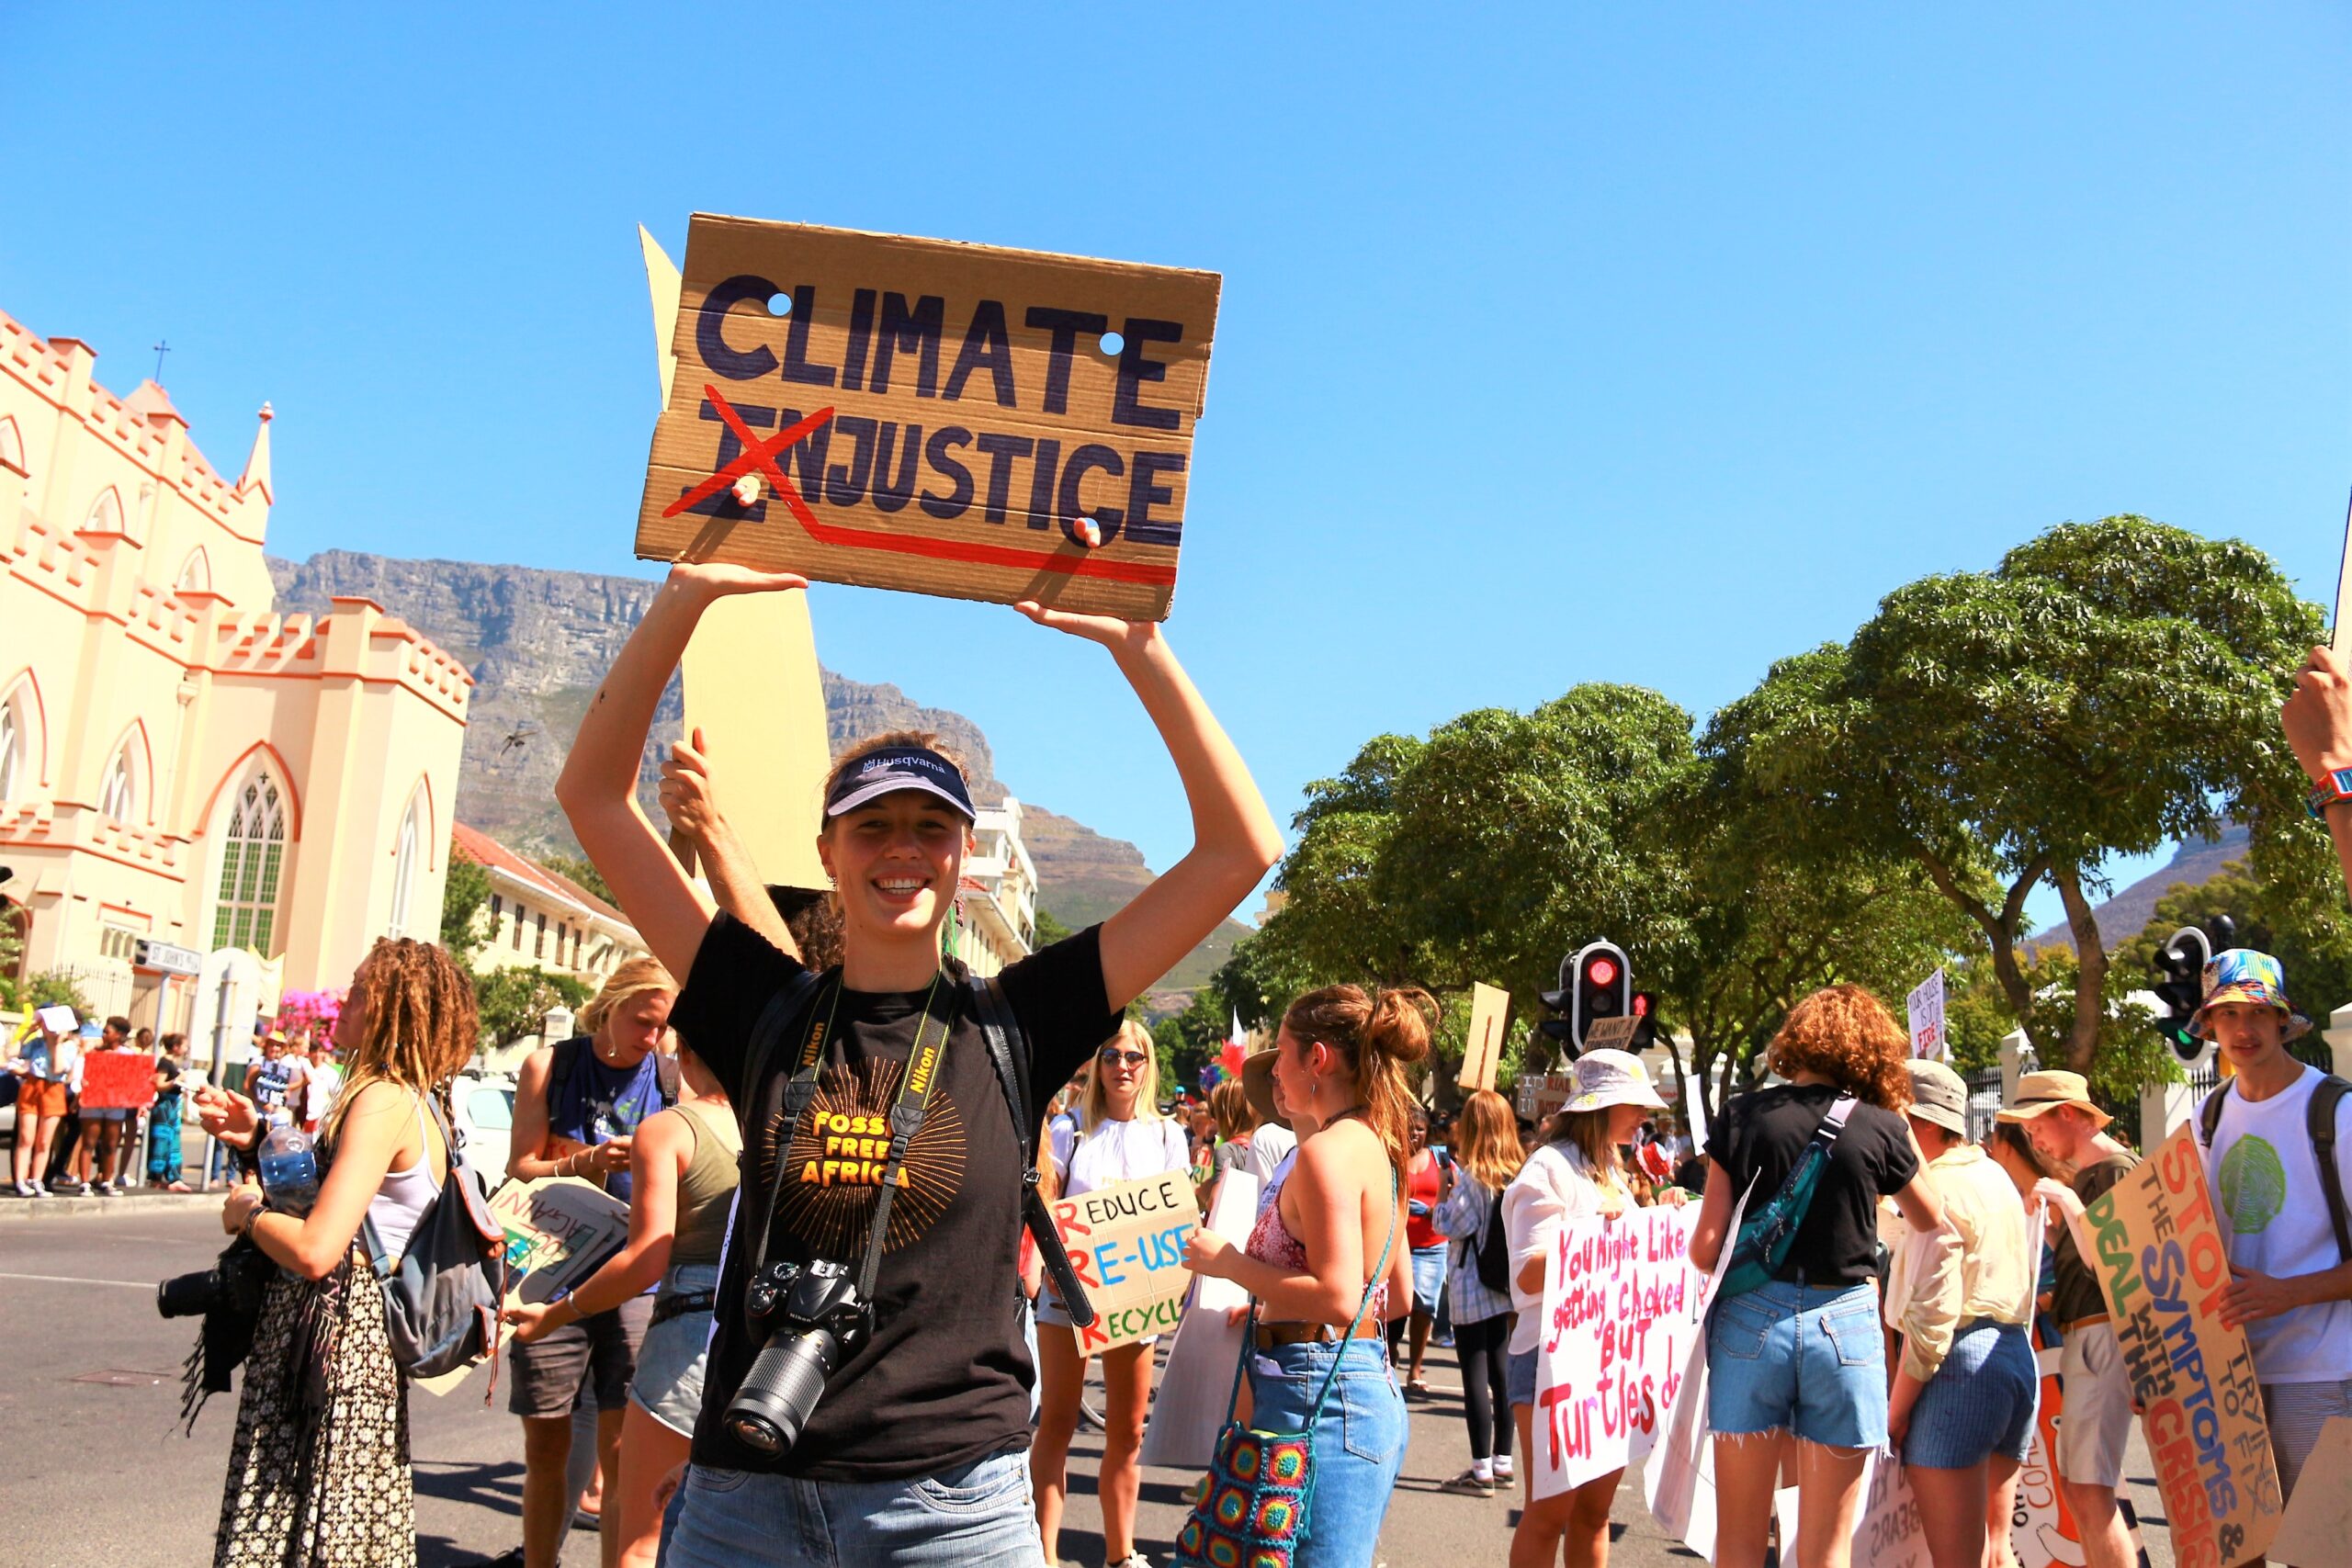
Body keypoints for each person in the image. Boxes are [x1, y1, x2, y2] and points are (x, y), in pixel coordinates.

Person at [556, 560, 1282, 1567]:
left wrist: (1138, 646)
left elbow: (1239, 851)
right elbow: (591, 799)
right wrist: (687, 597)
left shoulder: (1019, 1019)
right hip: (747, 1497)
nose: (903, 849)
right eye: (875, 826)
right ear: (829, 848)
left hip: (952, 1510)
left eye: (930, 827)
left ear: (962, 858)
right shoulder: (761, 1006)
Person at [194, 937, 472, 1567]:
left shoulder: (379, 1099)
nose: (342, 1003)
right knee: (335, 1529)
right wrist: (258, 1138)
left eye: (359, 989)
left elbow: (319, 1248)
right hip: (347, 1345)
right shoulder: (411, 1095)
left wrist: (248, 1214)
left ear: (393, 1007)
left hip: (333, 1348)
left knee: (315, 1528)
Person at [1687, 987, 1944, 1568]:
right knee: (1827, 1548)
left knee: (1740, 1540)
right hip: (1846, 1324)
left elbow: (1706, 1250)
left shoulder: (1742, 1115)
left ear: (1794, 1040)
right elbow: (1931, 1217)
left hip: (1749, 1323)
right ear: (1871, 1052)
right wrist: (1899, 1123)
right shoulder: (1880, 1126)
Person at [1185, 985, 1422, 1568]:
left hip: (1319, 1393)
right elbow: (1395, 1297)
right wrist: (1274, 1305)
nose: (1275, 1077)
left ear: (1318, 1060)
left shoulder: (1327, 1153)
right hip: (1344, 1386)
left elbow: (1340, 1298)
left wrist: (1228, 1264)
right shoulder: (1378, 1146)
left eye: (1284, 1054)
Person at [508, 1034, 738, 1568]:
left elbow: (645, 1260)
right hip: (759, 1347)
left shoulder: (671, 1129)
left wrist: (557, 1312)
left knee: (644, 1537)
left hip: (685, 1341)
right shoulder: (775, 1121)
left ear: (687, 1057)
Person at [500, 956, 679, 1568]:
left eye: (662, 1026)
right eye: (642, 1021)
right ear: (610, 1005)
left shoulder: (669, 1078)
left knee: (624, 1451)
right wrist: (585, 1161)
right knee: (546, 1441)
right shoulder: (551, 1066)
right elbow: (520, 1167)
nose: (651, 1038)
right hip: (552, 1269)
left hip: (633, 1277)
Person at [2185, 949, 2352, 1513]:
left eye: (2257, 1012)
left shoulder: (2338, 1114)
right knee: (2238, 1555)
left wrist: (2289, 1293)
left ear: (2283, 1019)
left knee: (2322, 1553)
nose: (2243, 1028)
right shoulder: (2205, 1118)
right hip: (2228, 1380)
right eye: (2227, 1014)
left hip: (2324, 1373)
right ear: (2208, 1025)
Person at [1501, 1049, 1681, 1562]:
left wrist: (1653, 1216)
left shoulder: (1610, 1166)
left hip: (1607, 1364)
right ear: (1602, 1107)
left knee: (1594, 1513)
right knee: (1549, 1514)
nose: (1646, 1116)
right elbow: (1526, 1276)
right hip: (1550, 1363)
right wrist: (1588, 1233)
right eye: (1636, 1105)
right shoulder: (1548, 1167)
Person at [1032, 1019, 1193, 1568]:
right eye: (1111, 1055)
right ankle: (1046, 1555)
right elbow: (1043, 1205)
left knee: (1126, 1430)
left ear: (1149, 1065)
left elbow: (1177, 1216)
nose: (1122, 1066)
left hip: (1134, 1297)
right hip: (1066, 1294)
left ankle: (1121, 1554)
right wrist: (1053, 1264)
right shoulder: (1068, 1130)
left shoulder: (1170, 1135)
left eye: (1134, 1057)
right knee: (1056, 1421)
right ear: (1096, 1065)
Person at [1883, 1059, 2037, 1568]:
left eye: (1892, 1117)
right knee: (1996, 1549)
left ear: (1921, 1123)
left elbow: (1930, 1322)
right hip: (2013, 1358)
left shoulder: (1939, 1191)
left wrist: (1895, 1411)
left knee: (1956, 1559)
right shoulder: (1992, 1173)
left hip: (1959, 1370)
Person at [1992, 1069, 2138, 1568]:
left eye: (2036, 1124)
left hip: (2101, 1334)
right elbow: (2087, 1257)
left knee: (2091, 1489)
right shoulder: (2094, 1174)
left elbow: (2119, 1267)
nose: (2033, 1138)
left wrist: (2069, 1204)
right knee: (2080, 1486)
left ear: (2068, 1114)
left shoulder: (2115, 1169)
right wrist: (2054, 1225)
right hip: (2087, 1335)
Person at [1430, 1087, 1524, 1499]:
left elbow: (1450, 1225)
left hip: (1471, 1283)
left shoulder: (1472, 1178)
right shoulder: (1517, 1173)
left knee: (1474, 1372)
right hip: (1504, 1283)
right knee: (1503, 1372)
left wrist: (1441, 1193)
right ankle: (1504, 1461)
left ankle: (1480, 1467)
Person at [1393, 1105, 1450, 1395]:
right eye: (1410, 1128)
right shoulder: (1392, 1157)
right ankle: (1389, 1359)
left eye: (1420, 1129)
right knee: (1395, 1308)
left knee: (1424, 1307)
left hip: (1431, 1246)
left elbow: (1455, 1189)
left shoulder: (1439, 1159)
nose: (1414, 1134)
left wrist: (1438, 1209)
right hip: (1398, 1244)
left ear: (1427, 1132)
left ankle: (1415, 1367)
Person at [10, 1015, 74, 1197]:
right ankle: (21, 1181)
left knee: (44, 1141)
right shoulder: (36, 1043)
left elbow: (58, 1069)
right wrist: (28, 1032)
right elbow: (12, 1053)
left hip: (53, 1088)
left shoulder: (68, 1047)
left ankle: (36, 1179)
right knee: (26, 1138)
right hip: (32, 1086)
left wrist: (56, 1044)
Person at [1202, 1077, 1259, 1213]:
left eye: (1214, 1111)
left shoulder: (1227, 1150)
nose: (1213, 1118)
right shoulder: (1261, 1145)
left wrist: (1203, 1195)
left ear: (1225, 1113)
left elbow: (1216, 1202)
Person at [150, 1032, 195, 1191]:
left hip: (174, 1104)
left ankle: (174, 1177)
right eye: (184, 1046)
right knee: (162, 1140)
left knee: (173, 1141)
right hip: (165, 1105)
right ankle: (155, 1176)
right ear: (175, 1047)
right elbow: (160, 1085)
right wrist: (176, 1081)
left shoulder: (173, 1064)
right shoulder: (165, 1063)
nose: (186, 1049)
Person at [300, 1037, 344, 1136]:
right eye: (314, 1051)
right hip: (302, 1116)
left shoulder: (330, 1073)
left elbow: (338, 1096)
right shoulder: (304, 1067)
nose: (317, 1055)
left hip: (319, 1119)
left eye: (320, 1051)